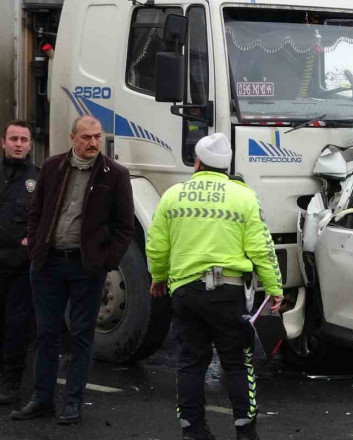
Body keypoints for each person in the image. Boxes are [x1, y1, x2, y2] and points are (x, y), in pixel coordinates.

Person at [145, 133, 283, 440]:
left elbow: (156, 245)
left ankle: (193, 429)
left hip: (184, 292)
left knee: (190, 361)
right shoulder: (243, 196)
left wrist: (158, 277)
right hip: (227, 292)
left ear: (197, 162)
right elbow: (262, 248)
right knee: (236, 361)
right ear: (226, 165)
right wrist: (275, 289)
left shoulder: (173, 195)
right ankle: (245, 429)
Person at [12, 115, 133, 425]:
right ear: (72, 138)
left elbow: (124, 227)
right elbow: (35, 211)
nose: (93, 142)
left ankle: (73, 402)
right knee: (46, 335)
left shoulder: (115, 174)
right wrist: (37, 247)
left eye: (97, 136)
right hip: (48, 263)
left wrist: (106, 261)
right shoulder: (52, 167)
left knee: (81, 336)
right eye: (86, 137)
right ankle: (42, 399)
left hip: (85, 267)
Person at [0, 120, 38, 405]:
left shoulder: (37, 179)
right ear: (3, 143)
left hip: (20, 268)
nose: (18, 144)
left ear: (30, 145)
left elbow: (47, 217)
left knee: (17, 327)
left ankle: (11, 384)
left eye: (23, 140)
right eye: (13, 139)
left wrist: (33, 240)